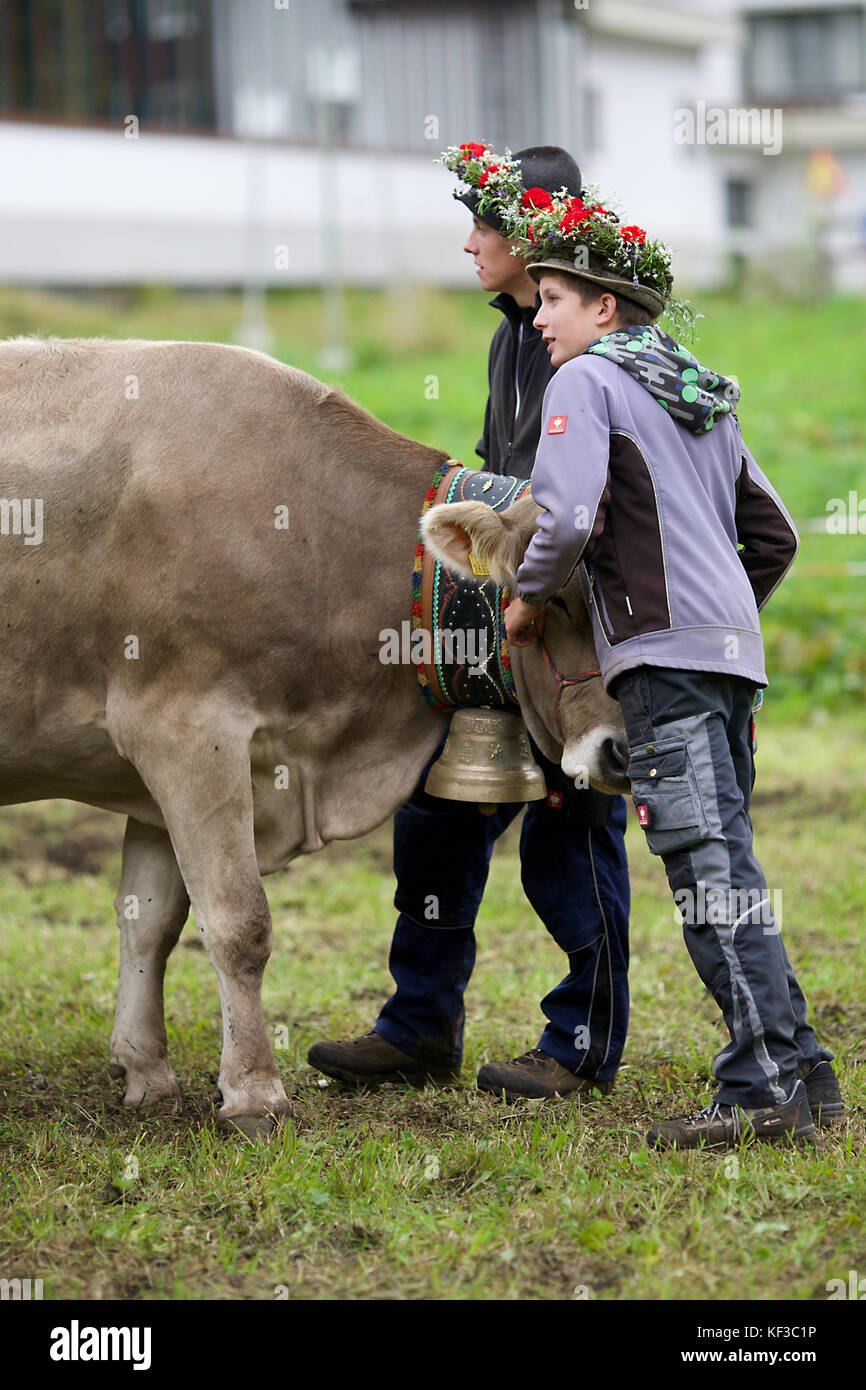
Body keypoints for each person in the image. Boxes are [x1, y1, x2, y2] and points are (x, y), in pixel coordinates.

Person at [500, 187, 844, 1147]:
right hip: (733, 660)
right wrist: (719, 616)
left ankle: (760, 1094)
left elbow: (563, 519)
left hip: (666, 669)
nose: (539, 322)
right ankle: (804, 1076)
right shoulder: (696, 389)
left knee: (704, 875)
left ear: (604, 309)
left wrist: (529, 596)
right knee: (732, 867)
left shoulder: (589, 383)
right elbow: (770, 535)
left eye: (554, 302)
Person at [307, 145, 631, 1101]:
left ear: (534, 233)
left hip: (571, 631)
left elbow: (587, 501)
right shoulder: (513, 335)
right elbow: (505, 470)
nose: (470, 241)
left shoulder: (595, 344)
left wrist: (532, 585)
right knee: (436, 810)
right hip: (504, 622)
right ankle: (419, 1025)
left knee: (569, 838)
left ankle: (581, 1044)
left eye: (486, 224)